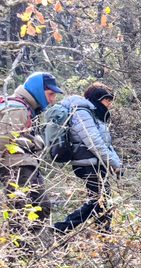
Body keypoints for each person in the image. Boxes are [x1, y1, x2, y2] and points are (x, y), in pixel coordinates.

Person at [53, 82, 122, 234]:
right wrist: (114, 162)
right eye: (107, 100)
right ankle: (60, 228)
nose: (109, 104)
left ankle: (104, 233)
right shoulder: (82, 112)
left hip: (95, 164)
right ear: (96, 99)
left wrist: (116, 162)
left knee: (101, 201)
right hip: (87, 164)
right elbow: (94, 142)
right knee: (98, 202)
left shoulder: (94, 114)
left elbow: (105, 143)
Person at [0, 71, 63, 226]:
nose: (52, 99)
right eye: (50, 94)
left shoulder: (26, 107)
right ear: (37, 90)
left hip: (24, 165)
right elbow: (2, 140)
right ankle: (22, 249)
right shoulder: (18, 109)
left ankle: (33, 248)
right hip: (16, 168)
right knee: (22, 213)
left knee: (41, 208)